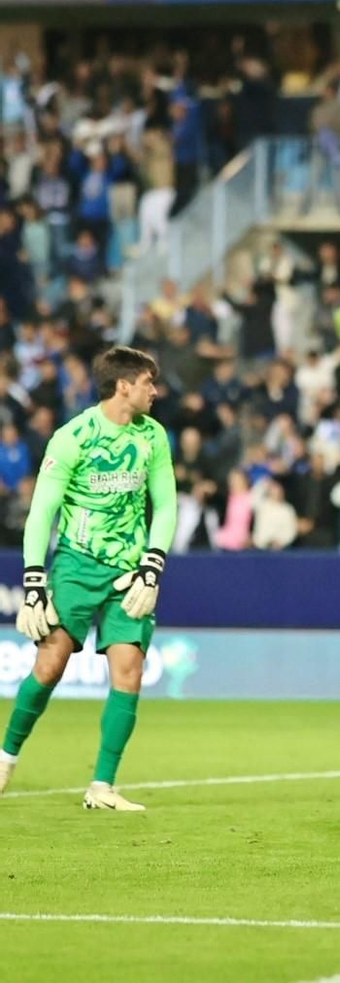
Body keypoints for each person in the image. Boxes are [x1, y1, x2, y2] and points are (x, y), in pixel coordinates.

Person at [0, 347, 177, 810]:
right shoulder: (73, 436)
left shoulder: (153, 437)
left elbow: (166, 503)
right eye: (147, 382)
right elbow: (42, 513)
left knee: (129, 670)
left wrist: (153, 563)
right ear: (123, 386)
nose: (154, 391)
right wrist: (35, 582)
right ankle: (5, 757)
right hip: (76, 566)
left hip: (130, 571)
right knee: (50, 664)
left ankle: (103, 786)